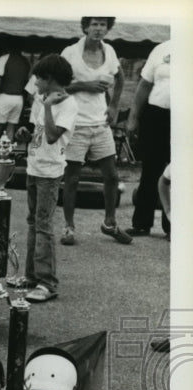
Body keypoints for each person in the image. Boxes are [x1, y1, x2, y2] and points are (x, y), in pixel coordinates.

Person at [10, 55, 78, 303]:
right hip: (34, 167)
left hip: (50, 173)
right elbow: (39, 134)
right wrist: (26, 134)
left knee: (44, 227)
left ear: (50, 80)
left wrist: (48, 106)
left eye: (38, 78)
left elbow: (51, 136)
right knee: (32, 223)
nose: (35, 82)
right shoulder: (41, 99)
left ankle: (48, 283)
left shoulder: (68, 105)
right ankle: (31, 276)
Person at [58, 17, 129, 246]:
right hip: (76, 123)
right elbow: (56, 85)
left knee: (112, 176)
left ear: (108, 28)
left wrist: (114, 106)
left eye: (103, 25)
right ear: (85, 27)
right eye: (95, 24)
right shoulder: (70, 52)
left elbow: (120, 78)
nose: (99, 29)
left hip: (100, 124)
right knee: (72, 178)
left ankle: (109, 223)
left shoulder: (109, 51)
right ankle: (68, 227)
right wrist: (83, 86)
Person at [125, 38, 171, 238]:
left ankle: (174, 226)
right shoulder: (162, 48)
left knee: (180, 172)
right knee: (151, 168)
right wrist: (133, 117)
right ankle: (142, 223)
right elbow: (144, 85)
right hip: (156, 115)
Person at [0, 40, 31, 162]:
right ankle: (4, 158)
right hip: (18, 98)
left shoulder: (4, 58)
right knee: (10, 130)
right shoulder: (25, 61)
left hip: (4, 96)